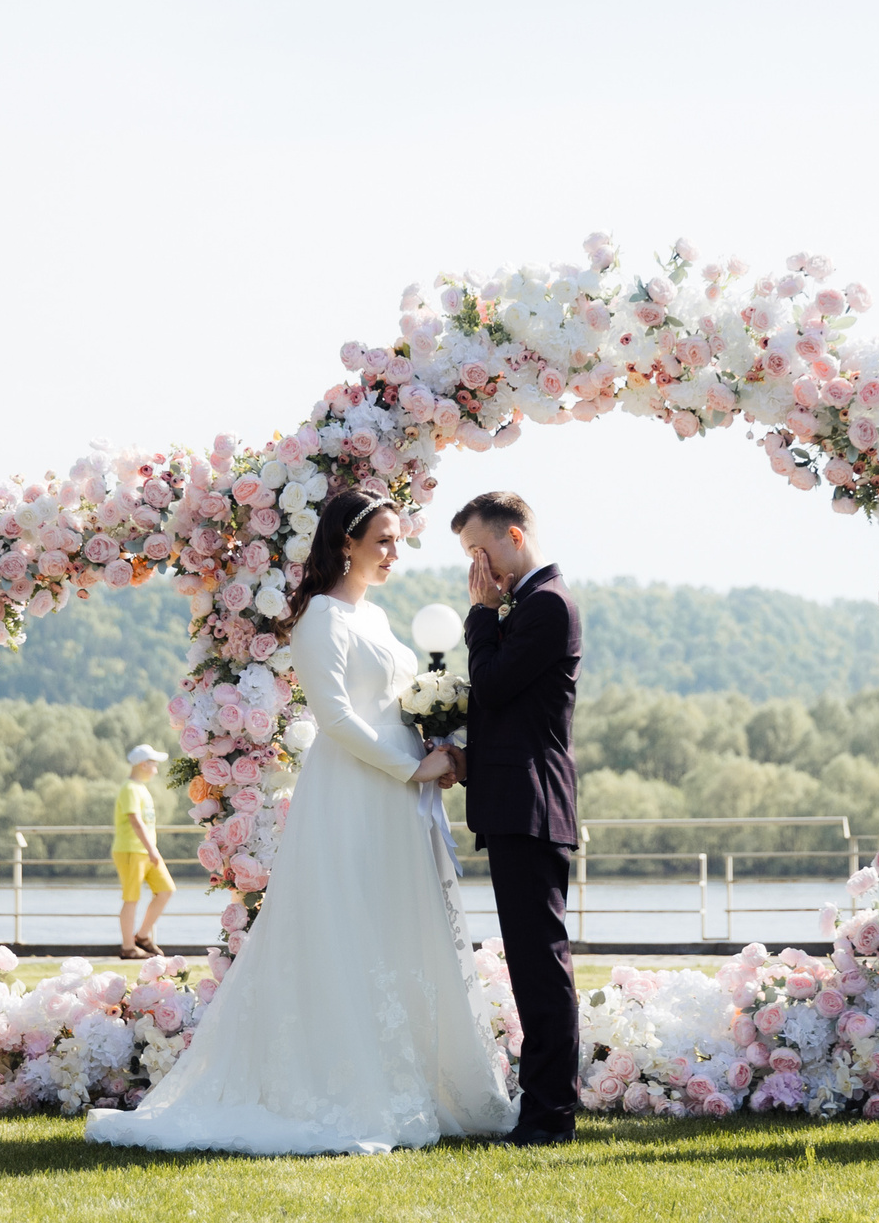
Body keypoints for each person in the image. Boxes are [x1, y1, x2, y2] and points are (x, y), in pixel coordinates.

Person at [87, 491, 516, 1154]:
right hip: (354, 789)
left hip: (400, 793)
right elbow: (339, 718)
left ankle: (415, 1081)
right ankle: (343, 1084)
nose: (394, 552)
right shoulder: (320, 618)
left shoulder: (372, 616)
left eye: (398, 540)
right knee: (345, 925)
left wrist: (439, 737)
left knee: (394, 925)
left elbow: (394, 703)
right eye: (383, 540)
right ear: (346, 543)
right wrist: (413, 769)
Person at [450, 490, 585, 1148]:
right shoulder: (528, 604)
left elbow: (496, 683)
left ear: (512, 535)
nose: (477, 566)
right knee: (533, 962)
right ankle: (542, 1108)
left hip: (533, 805)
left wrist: (479, 615)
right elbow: (506, 708)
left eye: (480, 550)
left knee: (540, 963)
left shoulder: (547, 604)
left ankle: (550, 1115)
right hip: (514, 803)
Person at [115, 744, 175, 959]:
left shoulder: (141, 788)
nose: (156, 770)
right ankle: (128, 947)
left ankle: (141, 936)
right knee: (131, 898)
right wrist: (152, 849)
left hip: (147, 851)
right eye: (154, 765)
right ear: (143, 764)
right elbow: (135, 821)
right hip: (131, 850)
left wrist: (152, 850)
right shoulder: (129, 788)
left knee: (166, 890)